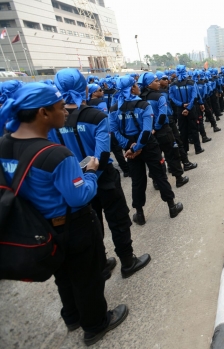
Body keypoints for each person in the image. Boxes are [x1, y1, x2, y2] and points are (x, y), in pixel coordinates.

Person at [0, 82, 128, 346]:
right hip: (72, 224)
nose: (66, 111)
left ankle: (71, 316)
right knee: (86, 277)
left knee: (63, 274)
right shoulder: (56, 154)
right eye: (60, 108)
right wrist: (90, 171)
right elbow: (79, 196)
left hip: (39, 226)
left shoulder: (4, 145)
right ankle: (95, 324)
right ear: (43, 113)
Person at [51, 68, 151, 279]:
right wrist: (92, 177)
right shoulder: (96, 116)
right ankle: (127, 261)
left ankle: (101, 264)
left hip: (74, 183)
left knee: (91, 223)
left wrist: (81, 181)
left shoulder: (52, 121)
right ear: (84, 88)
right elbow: (103, 153)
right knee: (118, 220)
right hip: (102, 178)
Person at [109, 76, 184, 225]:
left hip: (129, 147)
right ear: (132, 88)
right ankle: (172, 206)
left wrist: (130, 147)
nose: (138, 87)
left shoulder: (114, 109)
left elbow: (114, 132)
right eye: (136, 85)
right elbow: (146, 130)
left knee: (137, 181)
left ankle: (140, 213)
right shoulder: (143, 105)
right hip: (147, 145)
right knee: (159, 175)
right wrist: (137, 147)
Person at [138, 72, 190, 188]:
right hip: (162, 130)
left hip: (149, 131)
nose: (158, 83)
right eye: (156, 81)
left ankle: (157, 182)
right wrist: (156, 128)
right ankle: (179, 178)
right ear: (149, 84)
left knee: (155, 158)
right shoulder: (159, 96)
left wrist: (150, 129)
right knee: (171, 153)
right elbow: (162, 115)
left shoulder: (140, 98)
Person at [169, 65, 204, 154]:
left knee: (183, 130)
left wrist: (181, 104)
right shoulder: (191, 83)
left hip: (180, 109)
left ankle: (185, 150)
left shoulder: (173, 85)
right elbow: (194, 96)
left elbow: (171, 97)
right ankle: (198, 148)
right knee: (194, 129)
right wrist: (188, 107)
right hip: (191, 109)